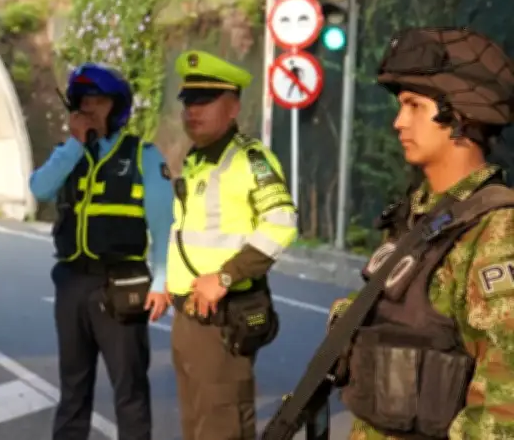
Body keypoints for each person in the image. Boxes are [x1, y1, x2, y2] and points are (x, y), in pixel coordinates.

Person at [326, 27, 514, 440]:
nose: (398, 122)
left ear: (460, 114)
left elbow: (502, 412)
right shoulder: (417, 216)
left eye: (414, 105)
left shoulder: (495, 234)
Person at [29, 62, 174, 440]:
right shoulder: (68, 154)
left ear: (118, 106)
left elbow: (162, 224)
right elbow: (40, 189)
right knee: (73, 390)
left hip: (122, 285)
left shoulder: (144, 155)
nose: (90, 107)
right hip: (72, 284)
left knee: (130, 391)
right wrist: (75, 145)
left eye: (100, 100)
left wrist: (161, 281)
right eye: (84, 100)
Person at [166, 50, 299, 440]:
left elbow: (281, 222)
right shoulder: (197, 160)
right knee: (197, 426)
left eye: (205, 101)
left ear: (233, 106)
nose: (193, 110)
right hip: (188, 316)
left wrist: (225, 276)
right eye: (188, 101)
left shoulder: (249, 159)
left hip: (223, 316)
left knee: (222, 428)